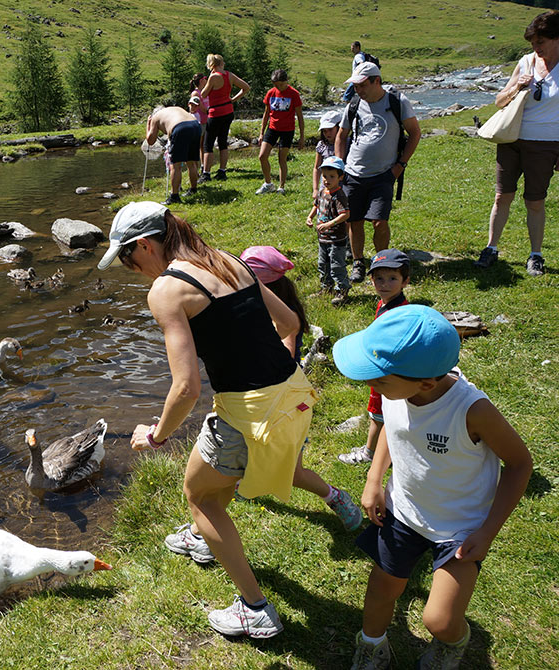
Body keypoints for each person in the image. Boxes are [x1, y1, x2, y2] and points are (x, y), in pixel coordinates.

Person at [97, 201, 319, 639]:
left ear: (145, 244)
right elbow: (290, 321)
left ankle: (255, 609)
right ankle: (204, 538)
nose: (130, 268)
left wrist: (157, 436)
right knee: (218, 478)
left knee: (199, 495)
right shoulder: (230, 262)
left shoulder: (166, 291)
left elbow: (186, 388)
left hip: (251, 412)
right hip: (296, 393)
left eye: (128, 257)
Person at [333, 305, 532, 670]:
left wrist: (488, 531)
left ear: (425, 383)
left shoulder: (472, 410)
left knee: (439, 621)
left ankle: (452, 644)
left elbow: (520, 464)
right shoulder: (398, 391)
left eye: (379, 378)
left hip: (459, 528)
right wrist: (374, 479)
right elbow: (396, 431)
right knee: (381, 589)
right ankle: (372, 647)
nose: (369, 385)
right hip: (404, 511)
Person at [240, 245, 363, 524]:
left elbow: (284, 357)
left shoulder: (282, 321)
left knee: (293, 473)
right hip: (266, 402)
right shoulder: (264, 312)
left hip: (287, 406)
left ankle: (335, 496)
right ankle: (243, 483)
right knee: (247, 448)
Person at [474, 10, 559, 277]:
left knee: (535, 200)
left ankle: (536, 255)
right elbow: (500, 101)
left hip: (546, 144)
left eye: (540, 42)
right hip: (511, 140)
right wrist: (516, 88)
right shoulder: (525, 62)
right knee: (502, 196)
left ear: (556, 38)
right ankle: (491, 248)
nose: (536, 48)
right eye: (533, 43)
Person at [335, 62, 421, 283]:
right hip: (353, 173)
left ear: (377, 81)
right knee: (354, 220)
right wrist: (339, 166)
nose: (358, 90)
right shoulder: (353, 104)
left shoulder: (397, 102)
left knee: (379, 221)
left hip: (384, 174)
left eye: (362, 85)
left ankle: (381, 261)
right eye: (355, 85)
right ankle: (358, 262)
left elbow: (414, 133)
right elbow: (341, 135)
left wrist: (400, 165)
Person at [337, 249, 411, 466]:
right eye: (378, 278)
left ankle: (369, 454)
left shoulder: (398, 313)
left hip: (387, 372)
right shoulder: (385, 303)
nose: (384, 284)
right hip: (382, 368)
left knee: (378, 414)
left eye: (392, 278)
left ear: (405, 281)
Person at [306, 156, 352, 305]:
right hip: (323, 238)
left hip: (336, 239)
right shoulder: (322, 192)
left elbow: (345, 214)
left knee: (337, 265)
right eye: (325, 176)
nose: (326, 179)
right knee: (323, 264)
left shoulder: (339, 196)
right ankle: (326, 288)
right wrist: (310, 217)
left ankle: (342, 291)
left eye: (332, 176)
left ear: (340, 177)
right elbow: (317, 205)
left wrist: (329, 224)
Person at [199, 54, 251, 183]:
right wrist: (233, 99)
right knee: (223, 142)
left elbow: (203, 94)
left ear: (211, 64)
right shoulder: (229, 75)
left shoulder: (213, 77)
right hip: (228, 111)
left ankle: (206, 173)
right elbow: (246, 87)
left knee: (208, 144)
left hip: (215, 112)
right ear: (222, 63)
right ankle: (222, 171)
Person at [256, 69, 305, 195]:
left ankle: (281, 187)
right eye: (275, 85)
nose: (278, 87)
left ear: (286, 81)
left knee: (281, 158)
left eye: (281, 85)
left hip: (287, 130)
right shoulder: (271, 93)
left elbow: (300, 116)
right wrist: (261, 133)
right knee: (262, 156)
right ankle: (268, 184)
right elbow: (266, 113)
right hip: (272, 128)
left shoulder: (294, 94)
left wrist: (302, 136)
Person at [146, 106, 202, 205]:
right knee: (191, 162)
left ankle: (174, 196)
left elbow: (150, 141)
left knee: (175, 166)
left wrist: (148, 124)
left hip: (180, 128)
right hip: (195, 125)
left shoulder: (155, 117)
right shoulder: (173, 109)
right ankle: (193, 189)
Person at [312, 110, 343, 201]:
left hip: (342, 185)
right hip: (325, 185)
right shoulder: (322, 145)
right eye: (324, 131)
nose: (327, 133)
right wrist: (315, 189)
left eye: (330, 130)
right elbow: (316, 167)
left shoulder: (347, 143)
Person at [189, 73, 210, 168]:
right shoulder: (196, 93)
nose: (207, 81)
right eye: (205, 79)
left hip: (207, 121)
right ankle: (195, 166)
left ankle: (203, 165)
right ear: (201, 80)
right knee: (198, 145)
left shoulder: (205, 91)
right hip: (199, 122)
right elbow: (202, 108)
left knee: (204, 145)